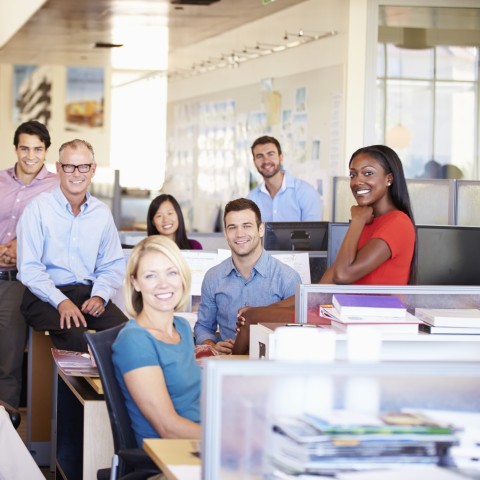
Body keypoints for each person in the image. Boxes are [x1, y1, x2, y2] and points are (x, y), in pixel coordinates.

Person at [233, 144, 416, 354]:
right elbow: (321, 289)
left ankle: (223, 375)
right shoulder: (368, 221)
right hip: (343, 314)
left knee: (253, 320)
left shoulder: (397, 223)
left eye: (368, 173)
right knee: (251, 317)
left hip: (367, 321)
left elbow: (344, 273)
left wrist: (356, 221)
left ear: (389, 179)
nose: (357, 182)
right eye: (353, 174)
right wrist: (263, 310)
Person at [17, 139, 127, 353]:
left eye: (83, 166)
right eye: (69, 166)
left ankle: (118, 386)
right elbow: (29, 269)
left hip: (88, 294)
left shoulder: (101, 213)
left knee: (128, 333)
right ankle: (84, 387)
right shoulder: (38, 209)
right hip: (45, 295)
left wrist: (100, 295)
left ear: (93, 169)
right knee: (78, 334)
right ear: (58, 168)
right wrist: (61, 301)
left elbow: (112, 264)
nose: (76, 174)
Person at [112, 235, 201, 446]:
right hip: (171, 456)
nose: (163, 284)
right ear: (135, 282)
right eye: (151, 276)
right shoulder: (134, 341)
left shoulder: (181, 328)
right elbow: (168, 428)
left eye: (171, 272)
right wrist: (231, 439)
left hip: (203, 445)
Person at [193, 198, 301, 354]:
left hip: (271, 365)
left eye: (247, 226)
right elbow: (203, 326)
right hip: (227, 366)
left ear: (261, 229)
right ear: (225, 233)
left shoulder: (287, 278)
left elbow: (297, 332)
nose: (239, 234)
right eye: (232, 227)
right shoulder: (213, 277)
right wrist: (211, 344)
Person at [0, 121, 58, 408]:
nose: (30, 156)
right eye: (25, 148)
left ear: (46, 151)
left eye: (38, 149)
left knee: (8, 359)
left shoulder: (57, 186)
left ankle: (5, 433)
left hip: (18, 281)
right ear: (16, 149)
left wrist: (20, 247)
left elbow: (60, 234)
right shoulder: (0, 180)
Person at [247, 136, 322, 221]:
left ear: (281, 157)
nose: (266, 161)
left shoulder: (306, 192)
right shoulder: (252, 198)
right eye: (260, 156)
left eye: (270, 154)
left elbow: (313, 232)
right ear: (254, 162)